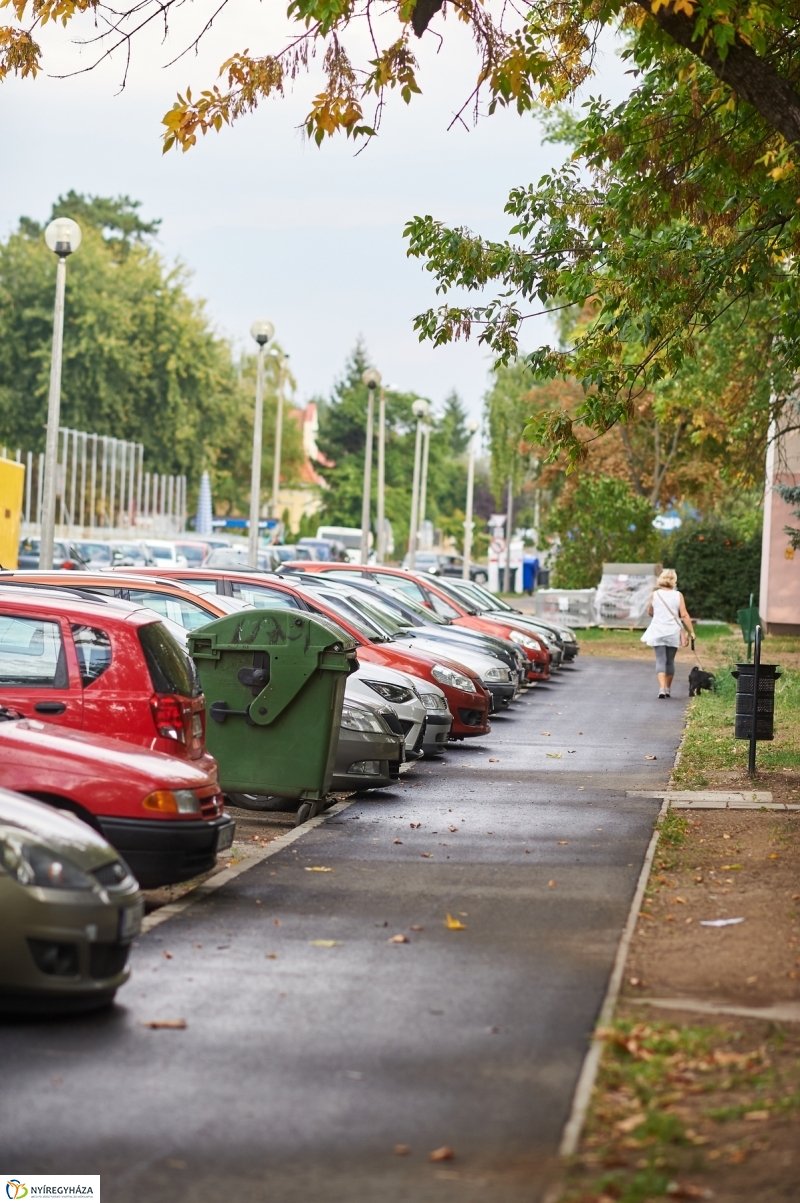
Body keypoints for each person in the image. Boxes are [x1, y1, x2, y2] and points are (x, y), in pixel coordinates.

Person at [641, 569, 695, 698]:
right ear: (674, 580)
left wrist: (658, 614)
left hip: (658, 630)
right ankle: (668, 689)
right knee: (670, 661)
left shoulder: (655, 594)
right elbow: (684, 614)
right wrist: (691, 631)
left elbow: (650, 611)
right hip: (673, 631)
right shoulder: (678, 595)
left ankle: (661, 688)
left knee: (660, 659)